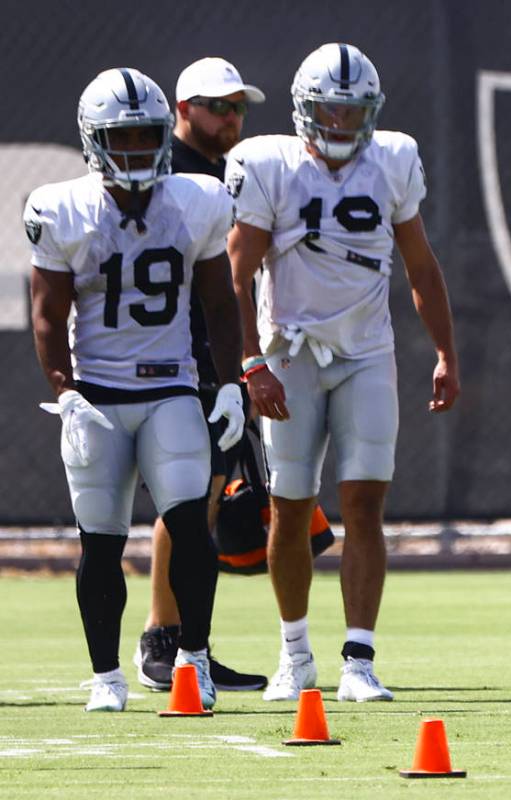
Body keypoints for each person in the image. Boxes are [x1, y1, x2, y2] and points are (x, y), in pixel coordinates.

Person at [226, 42, 460, 703]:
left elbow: (420, 267)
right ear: (304, 109)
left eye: (353, 111)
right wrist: (251, 364)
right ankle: (294, 654)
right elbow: (236, 275)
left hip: (365, 354)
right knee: (290, 508)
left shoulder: (392, 159)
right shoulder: (267, 165)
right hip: (289, 357)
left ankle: (358, 659)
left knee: (364, 506)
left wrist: (446, 352)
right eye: (328, 109)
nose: (340, 123)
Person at [26, 68, 245, 712]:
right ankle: (105, 676)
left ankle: (193, 662)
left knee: (189, 526)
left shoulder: (196, 199)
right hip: (97, 393)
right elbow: (46, 313)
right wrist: (64, 391)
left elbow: (220, 302)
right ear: (93, 142)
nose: (137, 150)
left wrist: (229, 385)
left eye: (148, 136)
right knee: (100, 541)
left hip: (171, 387)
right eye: (121, 138)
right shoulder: (61, 208)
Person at [132, 57, 268, 694]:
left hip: (215, 353)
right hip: (174, 353)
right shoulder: (165, 174)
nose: (232, 117)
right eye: (219, 106)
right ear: (183, 109)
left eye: (238, 106)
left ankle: (193, 643)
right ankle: (163, 637)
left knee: (208, 494)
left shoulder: (228, 173)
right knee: (186, 497)